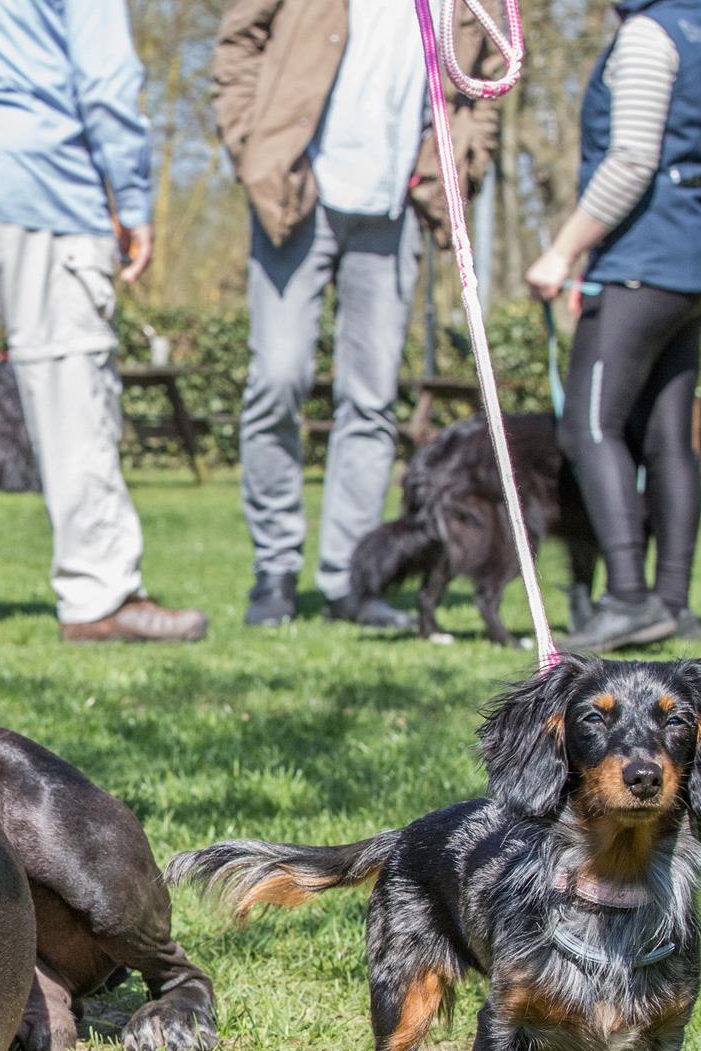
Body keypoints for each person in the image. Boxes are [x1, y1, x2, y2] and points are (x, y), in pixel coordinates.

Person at [0, 0, 207, 644]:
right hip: (42, 179)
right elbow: (106, 78)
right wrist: (132, 197)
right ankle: (99, 593)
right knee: (71, 391)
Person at [215, 0, 503, 631]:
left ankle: (350, 580)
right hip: (297, 191)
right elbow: (237, 43)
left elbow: (485, 81)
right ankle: (274, 569)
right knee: (278, 380)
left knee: (371, 400)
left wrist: (463, 162)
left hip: (397, 203)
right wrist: (250, 142)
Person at [526, 0, 701, 652]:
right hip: (696, 258)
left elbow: (631, 160)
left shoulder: (648, 34)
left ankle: (627, 598)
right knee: (667, 438)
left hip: (644, 262)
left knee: (589, 425)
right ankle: (673, 603)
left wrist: (564, 250)